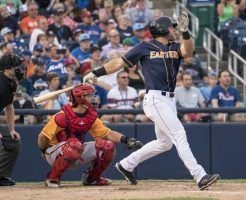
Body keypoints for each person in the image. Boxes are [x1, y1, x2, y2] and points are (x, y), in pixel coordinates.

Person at [83, 13, 220, 190]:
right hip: (155, 98)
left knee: (164, 143)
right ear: (162, 29)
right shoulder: (144, 47)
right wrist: (96, 73)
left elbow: (188, 51)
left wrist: (185, 32)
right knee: (179, 134)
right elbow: (119, 62)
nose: (174, 29)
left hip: (169, 100)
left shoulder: (174, 46)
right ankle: (199, 175)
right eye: (171, 27)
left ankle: (126, 164)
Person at [38, 84, 143, 188]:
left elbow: (108, 133)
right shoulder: (62, 116)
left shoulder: (90, 115)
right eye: (89, 95)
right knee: (74, 145)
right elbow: (42, 137)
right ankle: (53, 178)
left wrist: (126, 139)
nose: (94, 98)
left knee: (108, 146)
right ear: (80, 98)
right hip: (54, 153)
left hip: (76, 150)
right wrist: (43, 151)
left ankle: (92, 178)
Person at [0, 54, 26, 186]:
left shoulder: (11, 83)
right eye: (17, 66)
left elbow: (9, 107)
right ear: (8, 68)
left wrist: (12, 130)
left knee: (12, 141)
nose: (20, 69)